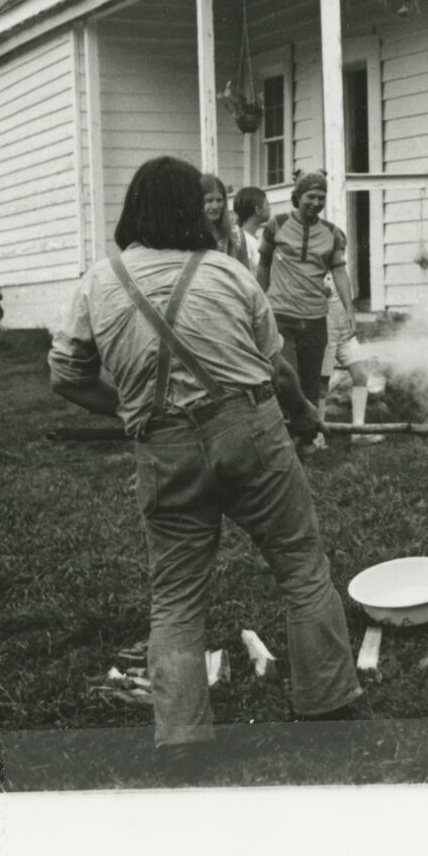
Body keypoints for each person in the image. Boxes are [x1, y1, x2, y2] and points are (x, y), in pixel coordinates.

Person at [49, 156, 365, 758]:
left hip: (163, 452)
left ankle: (185, 737)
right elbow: (276, 368)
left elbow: (66, 375)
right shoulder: (226, 273)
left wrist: (130, 410)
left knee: (174, 597)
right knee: (300, 565)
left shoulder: (96, 282)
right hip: (250, 432)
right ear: (192, 211)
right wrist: (302, 414)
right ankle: (327, 707)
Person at [256, 171, 362, 444]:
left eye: (321, 198)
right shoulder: (276, 225)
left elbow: (339, 272)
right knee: (283, 380)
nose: (316, 203)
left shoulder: (331, 233)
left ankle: (306, 442)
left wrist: (349, 310)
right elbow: (264, 263)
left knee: (311, 382)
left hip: (316, 318)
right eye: (310, 197)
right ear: (297, 197)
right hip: (281, 316)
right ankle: (282, 441)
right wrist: (260, 300)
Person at [200, 173, 246, 263]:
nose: (215, 206)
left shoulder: (236, 235)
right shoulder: (193, 235)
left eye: (219, 200)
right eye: (209, 201)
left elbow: (245, 272)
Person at [230, 185, 270, 273]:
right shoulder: (242, 239)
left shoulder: (258, 240)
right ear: (257, 210)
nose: (269, 208)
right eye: (267, 204)